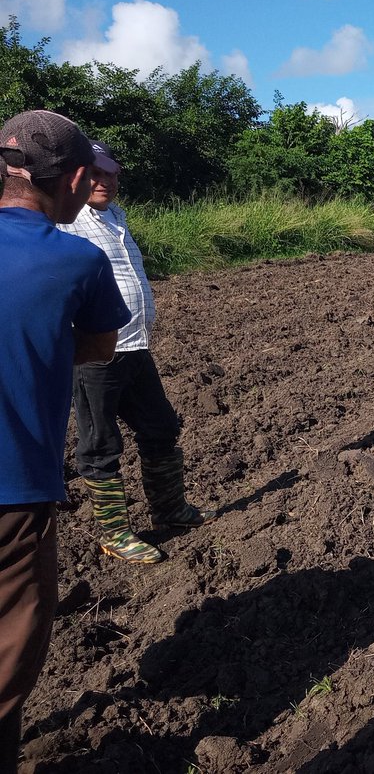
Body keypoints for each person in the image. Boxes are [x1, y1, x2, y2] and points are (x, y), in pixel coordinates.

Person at [0, 111, 131, 774]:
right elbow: (99, 346)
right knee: (9, 650)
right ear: (76, 178)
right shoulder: (78, 259)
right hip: (14, 492)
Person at [59, 141, 214, 564]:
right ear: (76, 176)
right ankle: (114, 533)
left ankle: (170, 509)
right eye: (95, 174)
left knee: (160, 427)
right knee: (100, 444)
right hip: (95, 354)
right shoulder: (66, 221)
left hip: (134, 346)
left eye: (111, 174)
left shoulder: (116, 217)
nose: (104, 182)